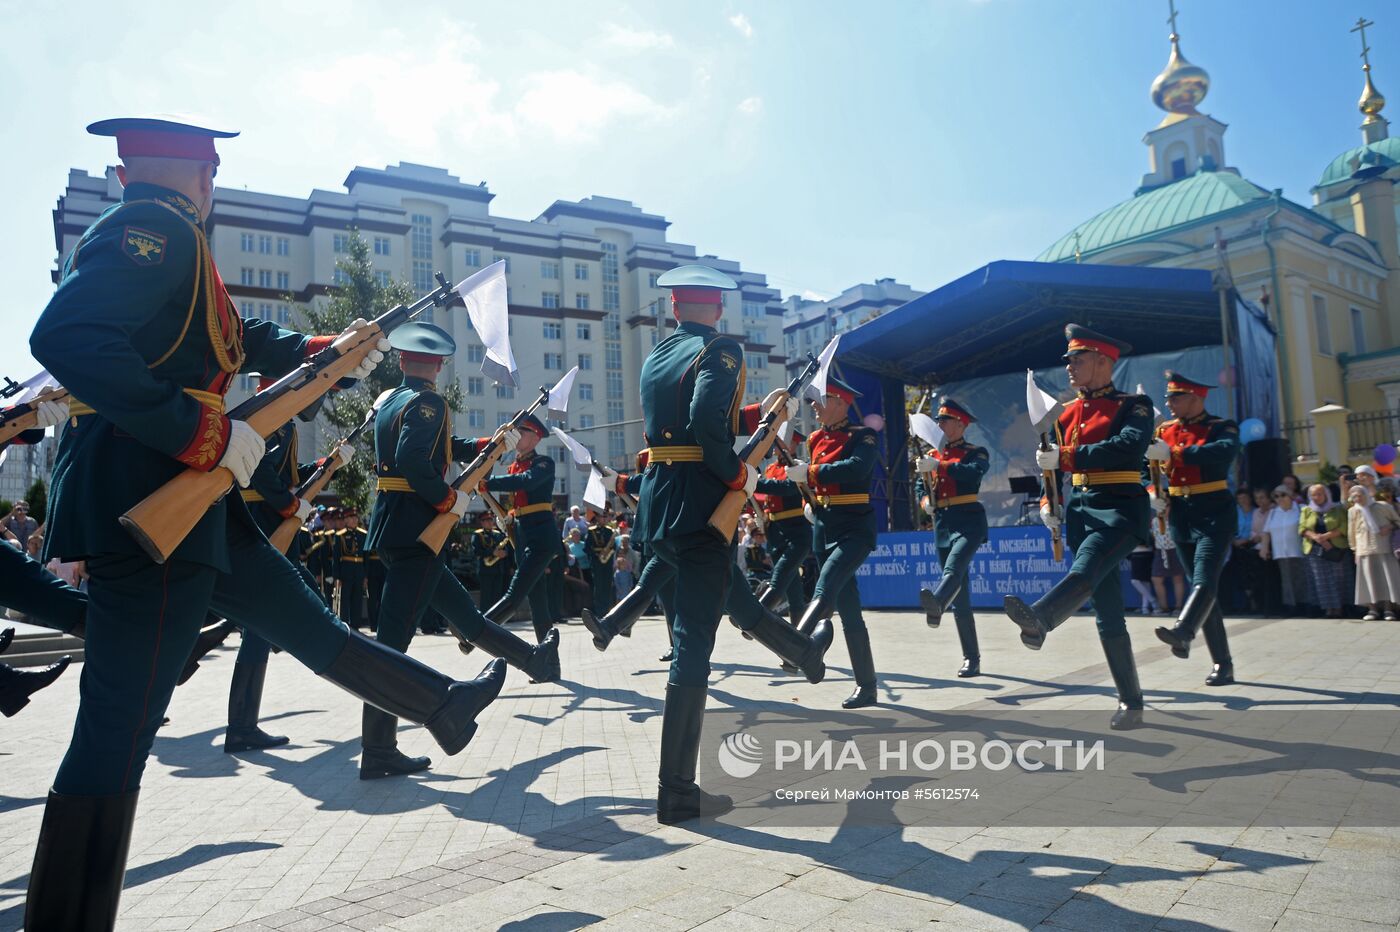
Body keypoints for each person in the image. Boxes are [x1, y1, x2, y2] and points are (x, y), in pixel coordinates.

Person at [24, 115, 505, 928]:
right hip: (156, 503)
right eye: (212, 174)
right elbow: (66, 338)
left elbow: (235, 338)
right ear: (197, 176)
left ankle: (442, 706)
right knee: (118, 725)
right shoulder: (155, 232)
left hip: (192, 498)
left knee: (308, 625)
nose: (212, 188)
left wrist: (330, 346)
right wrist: (200, 430)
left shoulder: (168, 238)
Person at [630, 263, 828, 824]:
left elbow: (685, 418)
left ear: (675, 309)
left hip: (663, 504)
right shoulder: (723, 350)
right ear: (718, 310)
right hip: (701, 504)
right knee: (693, 643)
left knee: (735, 596)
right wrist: (736, 475)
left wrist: (755, 414)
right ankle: (677, 791)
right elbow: (704, 422)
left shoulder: (658, 354)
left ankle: (804, 652)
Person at [363, 321, 561, 778]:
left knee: (467, 620)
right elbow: (417, 460)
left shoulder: (391, 400)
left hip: (396, 525)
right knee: (390, 647)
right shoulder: (429, 402)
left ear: (400, 361)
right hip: (418, 528)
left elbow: (439, 448)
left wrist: (486, 447)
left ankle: (534, 659)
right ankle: (378, 748)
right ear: (439, 367)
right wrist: (448, 499)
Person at [1003, 325, 1152, 729]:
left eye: (1078, 360)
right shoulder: (1065, 413)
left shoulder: (1134, 405)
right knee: (1107, 612)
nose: (1069, 367)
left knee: (1084, 569)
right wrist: (1051, 502)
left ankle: (1041, 619)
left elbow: (1128, 446)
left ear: (1105, 361)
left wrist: (1066, 458)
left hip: (1120, 511)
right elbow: (1053, 472)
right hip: (1083, 512)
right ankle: (1131, 701)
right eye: (1068, 360)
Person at [231, 393, 347, 753]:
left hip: (267, 517)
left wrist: (328, 465)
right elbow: (262, 470)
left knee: (273, 614)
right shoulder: (271, 416)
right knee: (259, 626)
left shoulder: (281, 419)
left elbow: (284, 474)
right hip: (264, 519)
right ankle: (242, 725)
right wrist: (289, 504)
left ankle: (242, 724)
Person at [781, 375, 880, 708]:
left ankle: (794, 645)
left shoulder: (863, 436)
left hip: (854, 531)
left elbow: (856, 469)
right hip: (825, 531)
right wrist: (809, 498)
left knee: (823, 589)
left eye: (820, 400)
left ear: (840, 402)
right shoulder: (813, 439)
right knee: (851, 613)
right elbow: (817, 486)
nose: (814, 407)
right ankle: (867, 687)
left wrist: (810, 473)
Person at [1149, 372, 1241, 686]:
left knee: (1203, 580)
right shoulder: (1164, 431)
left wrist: (1174, 454)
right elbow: (1149, 470)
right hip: (1181, 517)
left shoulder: (1221, 427)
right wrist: (1154, 495)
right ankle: (1222, 664)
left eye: (1176, 397)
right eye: (1168, 397)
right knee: (1204, 591)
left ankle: (1183, 630)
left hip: (1214, 513)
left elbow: (1223, 452)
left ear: (1196, 397)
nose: (1169, 403)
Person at [914, 398, 990, 678]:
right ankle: (972, 658)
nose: (940, 425)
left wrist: (941, 466)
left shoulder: (975, 452)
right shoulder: (933, 454)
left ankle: (937, 602)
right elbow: (920, 487)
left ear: (961, 424)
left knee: (954, 568)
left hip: (969, 520)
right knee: (962, 597)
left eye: (945, 421)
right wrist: (924, 502)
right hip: (943, 524)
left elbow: (974, 474)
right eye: (939, 421)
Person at [474, 416, 559, 642]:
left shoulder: (544, 463)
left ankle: (473, 631)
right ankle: (549, 660)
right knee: (537, 599)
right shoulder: (513, 465)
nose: (517, 435)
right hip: (522, 534)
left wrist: (488, 483)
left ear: (535, 438)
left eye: (522, 432)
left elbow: (526, 481)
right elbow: (510, 497)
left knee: (515, 593)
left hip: (540, 536)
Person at [754, 430, 812, 622]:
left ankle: (753, 616)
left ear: (794, 446)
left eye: (784, 443)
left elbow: (787, 488)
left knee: (780, 576)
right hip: (776, 531)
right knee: (792, 587)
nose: (778, 447)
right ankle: (799, 632)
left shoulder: (797, 467)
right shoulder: (770, 468)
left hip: (795, 531)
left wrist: (755, 483)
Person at [1348, 484, 1400, 619]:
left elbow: (1397, 522)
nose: (1357, 498)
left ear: (1366, 494)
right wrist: (1354, 550)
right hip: (1364, 549)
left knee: (1387, 579)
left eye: (1359, 495)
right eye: (1354, 496)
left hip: (1384, 547)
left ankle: (1389, 609)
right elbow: (1352, 532)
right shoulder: (1353, 511)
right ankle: (1372, 609)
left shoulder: (1382, 506)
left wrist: (1388, 527)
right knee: (1368, 581)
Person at [1300, 483, 1350, 618]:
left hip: (1334, 548)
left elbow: (1344, 526)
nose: (1316, 497)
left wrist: (1327, 537)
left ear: (1326, 494)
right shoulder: (1306, 510)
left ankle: (1338, 607)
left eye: (1319, 494)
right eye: (1313, 495)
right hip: (1314, 549)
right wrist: (1317, 538)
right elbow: (1302, 528)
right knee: (1320, 580)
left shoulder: (1337, 508)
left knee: (1337, 579)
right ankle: (1328, 608)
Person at [1260, 485, 1307, 613]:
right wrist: (1264, 548)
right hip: (1280, 552)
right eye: (1276, 496)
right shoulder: (1274, 512)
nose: (1279, 498)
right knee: (1286, 581)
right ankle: (1291, 607)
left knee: (1301, 579)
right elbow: (1266, 532)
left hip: (1298, 550)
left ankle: (1304, 605)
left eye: (1283, 495)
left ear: (1291, 495)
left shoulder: (1301, 509)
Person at [585, 509, 617, 615]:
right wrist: (596, 556)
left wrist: (608, 553)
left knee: (607, 585)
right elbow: (587, 548)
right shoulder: (591, 531)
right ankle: (599, 611)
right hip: (596, 561)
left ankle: (607, 609)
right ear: (597, 518)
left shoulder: (610, 531)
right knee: (598, 586)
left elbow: (614, 547)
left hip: (607, 561)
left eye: (605, 517)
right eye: (602, 517)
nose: (604, 519)